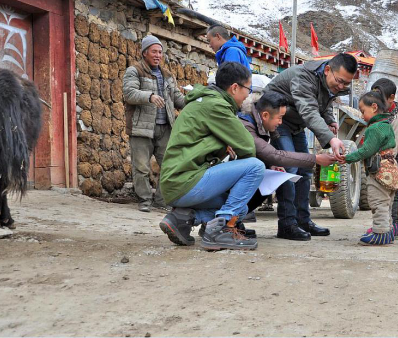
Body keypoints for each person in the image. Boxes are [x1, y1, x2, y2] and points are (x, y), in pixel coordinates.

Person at [158, 62, 265, 251]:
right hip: (185, 181)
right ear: (234, 88)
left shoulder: (205, 101)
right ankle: (221, 230)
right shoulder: (216, 105)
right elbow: (248, 146)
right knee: (255, 166)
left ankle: (184, 218)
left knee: (240, 208)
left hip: (177, 184)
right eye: (248, 89)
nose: (248, 95)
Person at [264, 52, 358, 240]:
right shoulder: (303, 77)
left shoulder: (329, 80)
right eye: (339, 81)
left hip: (296, 124)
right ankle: (287, 224)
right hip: (278, 122)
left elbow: (325, 102)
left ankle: (303, 220)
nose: (341, 87)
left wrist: (330, 120)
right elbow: (308, 109)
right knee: (289, 168)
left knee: (305, 171)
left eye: (346, 84)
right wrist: (331, 140)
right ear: (328, 70)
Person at [238, 90, 338, 239]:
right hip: (217, 181)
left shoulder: (261, 123)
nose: (280, 122)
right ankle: (225, 222)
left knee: (269, 176)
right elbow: (275, 155)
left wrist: (270, 167)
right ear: (265, 115)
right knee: (258, 171)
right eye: (280, 118)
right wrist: (315, 158)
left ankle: (235, 221)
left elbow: (260, 154)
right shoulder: (246, 125)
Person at [123, 35, 185, 212]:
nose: (158, 55)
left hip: (165, 127)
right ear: (144, 53)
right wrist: (149, 96)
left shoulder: (167, 75)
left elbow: (177, 98)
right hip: (141, 128)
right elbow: (129, 93)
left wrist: (195, 100)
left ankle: (161, 200)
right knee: (141, 167)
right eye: (154, 51)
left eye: (160, 52)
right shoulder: (134, 71)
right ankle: (144, 201)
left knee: (169, 165)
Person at [339, 91, 398, 246]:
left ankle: (380, 232)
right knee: (387, 202)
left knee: (378, 201)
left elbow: (367, 150)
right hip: (391, 169)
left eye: (363, 111)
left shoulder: (374, 128)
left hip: (379, 171)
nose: (362, 114)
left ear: (374, 108)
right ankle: (387, 229)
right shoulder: (386, 125)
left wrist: (348, 157)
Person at [370, 78, 398, 237]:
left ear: (391, 98)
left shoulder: (396, 115)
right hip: (384, 158)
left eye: (380, 99)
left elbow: (393, 144)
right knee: (385, 194)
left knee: (390, 194)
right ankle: (386, 226)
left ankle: (393, 226)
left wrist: (385, 159)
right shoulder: (380, 112)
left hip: (394, 159)